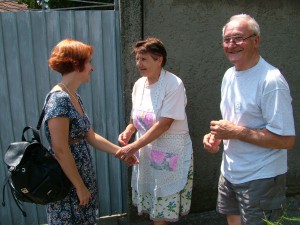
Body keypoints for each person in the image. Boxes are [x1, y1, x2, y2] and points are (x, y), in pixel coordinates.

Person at [203, 14, 296, 225]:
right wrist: (216, 136)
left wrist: (234, 132)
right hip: (230, 173)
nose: (231, 45)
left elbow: (286, 141)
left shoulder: (271, 81)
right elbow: (236, 121)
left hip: (261, 177)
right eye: (227, 40)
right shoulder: (229, 76)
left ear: (256, 40)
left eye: (238, 38)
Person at [44, 39, 138, 225]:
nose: (92, 68)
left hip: (82, 174)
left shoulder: (73, 96)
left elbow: (91, 136)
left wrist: (121, 152)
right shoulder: (59, 100)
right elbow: (60, 149)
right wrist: (79, 186)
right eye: (88, 62)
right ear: (76, 64)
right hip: (68, 181)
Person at [115, 37, 193, 225]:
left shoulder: (173, 84)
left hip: (169, 150)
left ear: (159, 60)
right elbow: (136, 116)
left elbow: (164, 124)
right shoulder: (139, 85)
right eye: (137, 59)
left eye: (144, 59)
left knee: (162, 204)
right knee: (153, 204)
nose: (139, 64)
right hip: (146, 152)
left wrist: (133, 146)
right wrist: (128, 130)